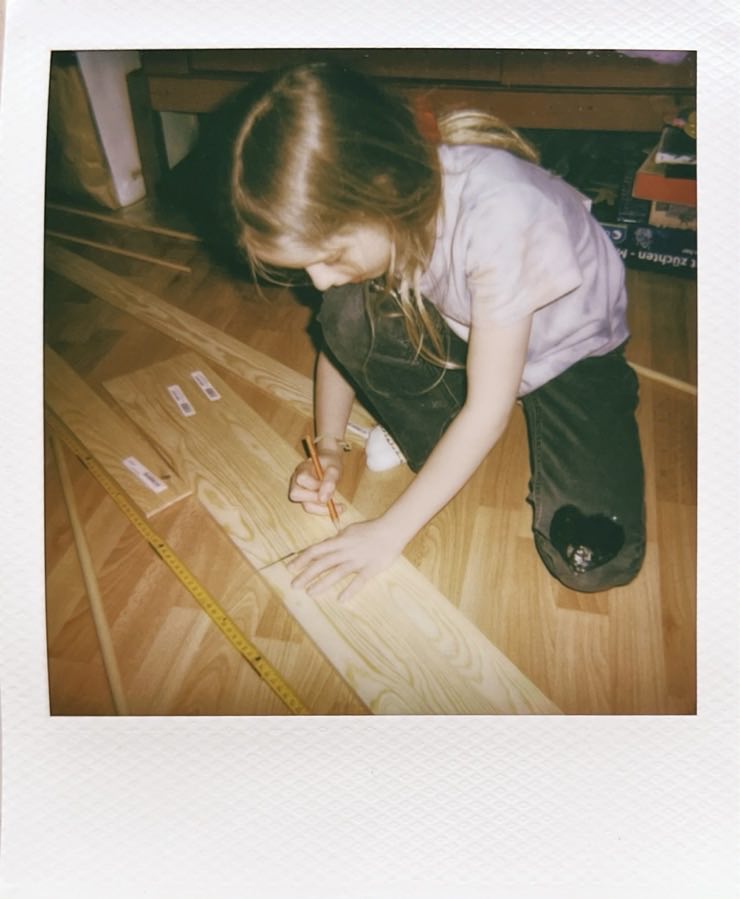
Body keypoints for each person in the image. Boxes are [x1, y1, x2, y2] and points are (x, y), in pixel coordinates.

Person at [220, 60, 646, 600]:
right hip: (472, 328)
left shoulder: (503, 220)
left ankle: (596, 407)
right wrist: (327, 448)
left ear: (380, 193)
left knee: (589, 560)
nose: (319, 280)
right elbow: (339, 340)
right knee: (345, 311)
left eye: (329, 256)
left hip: (570, 355)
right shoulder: (395, 203)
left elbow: (488, 411)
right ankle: (444, 441)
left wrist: (387, 533)